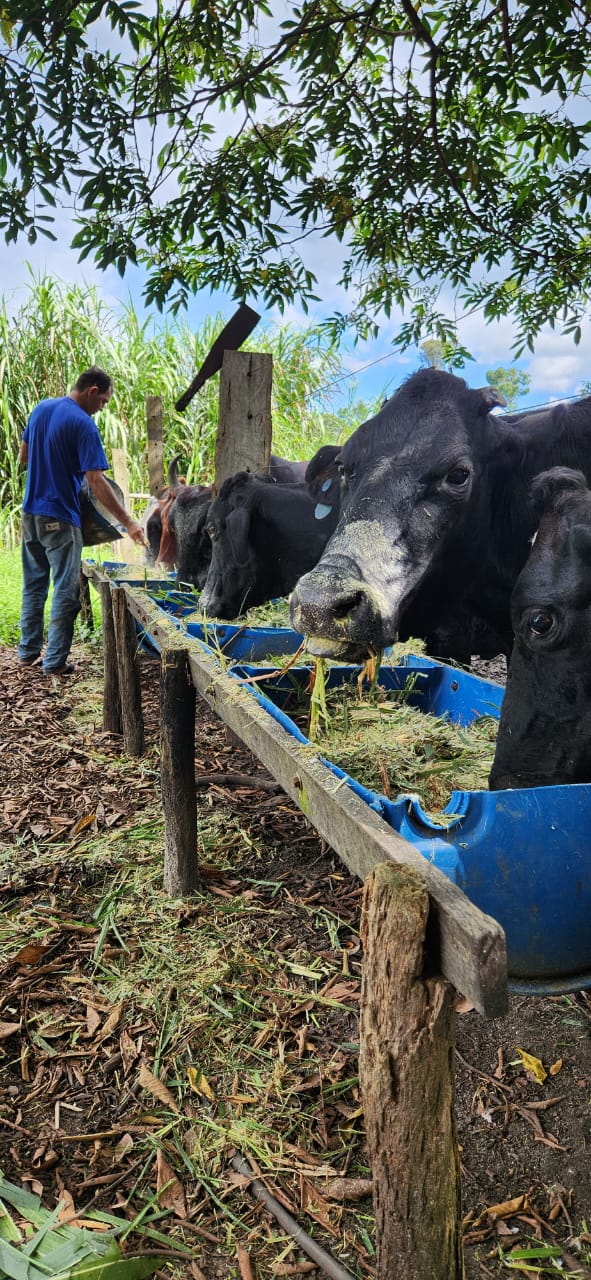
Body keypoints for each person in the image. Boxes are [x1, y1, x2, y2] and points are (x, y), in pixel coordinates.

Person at [18, 366, 147, 676]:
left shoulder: (41, 409)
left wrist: (53, 469)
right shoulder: (84, 424)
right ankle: (55, 663)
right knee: (66, 590)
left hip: (30, 513)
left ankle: (27, 652)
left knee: (34, 585)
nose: (102, 408)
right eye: (103, 401)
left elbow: (24, 457)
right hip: (60, 517)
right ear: (92, 391)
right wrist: (128, 522)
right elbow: (96, 481)